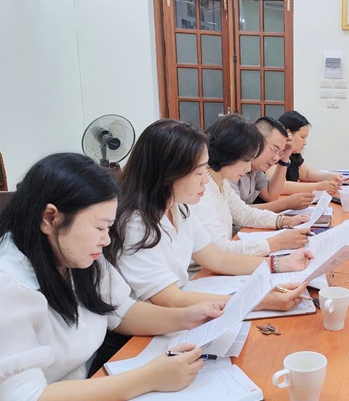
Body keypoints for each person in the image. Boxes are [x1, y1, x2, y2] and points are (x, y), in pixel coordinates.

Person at [0, 153, 223, 401]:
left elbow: (122, 312)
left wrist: (189, 317)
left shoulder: (75, 254)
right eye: (99, 227)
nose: (106, 240)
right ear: (50, 217)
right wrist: (148, 377)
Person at [107, 118, 312, 311]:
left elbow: (218, 258)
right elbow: (169, 299)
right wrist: (257, 299)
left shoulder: (179, 208)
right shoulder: (135, 224)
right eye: (199, 172)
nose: (205, 179)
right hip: (155, 323)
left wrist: (281, 263)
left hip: (185, 303)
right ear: (168, 173)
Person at [192, 114, 311, 256]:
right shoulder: (202, 190)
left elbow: (244, 213)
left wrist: (284, 221)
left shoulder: (220, 181)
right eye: (246, 160)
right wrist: (276, 243)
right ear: (229, 153)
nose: (248, 168)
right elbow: (220, 252)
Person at [230, 116, 315, 213]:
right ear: (256, 141)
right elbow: (237, 212)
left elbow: (271, 195)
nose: (276, 158)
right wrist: (285, 204)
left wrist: (284, 158)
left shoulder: (256, 170)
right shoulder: (230, 167)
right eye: (274, 150)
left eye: (280, 152)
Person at [275, 111, 341, 195]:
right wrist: (318, 187)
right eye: (302, 137)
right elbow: (280, 187)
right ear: (288, 134)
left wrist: (327, 176)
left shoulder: (293, 154)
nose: (305, 143)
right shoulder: (274, 155)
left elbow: (306, 174)